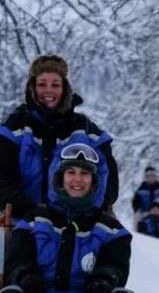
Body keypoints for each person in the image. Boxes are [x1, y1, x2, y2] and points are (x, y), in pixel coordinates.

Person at [0, 144, 148, 293]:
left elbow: (115, 267)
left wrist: (104, 280)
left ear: (94, 181)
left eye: (84, 173)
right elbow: (18, 259)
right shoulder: (34, 220)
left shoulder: (111, 230)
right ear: (60, 177)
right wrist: (24, 275)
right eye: (71, 172)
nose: (77, 179)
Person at [0, 54, 119, 218]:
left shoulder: (87, 131)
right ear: (32, 88)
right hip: (21, 221)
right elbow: (3, 180)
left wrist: (83, 211)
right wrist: (30, 211)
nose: (49, 90)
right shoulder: (15, 128)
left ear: (65, 89)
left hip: (76, 221)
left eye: (55, 84)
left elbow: (108, 184)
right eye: (42, 84)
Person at [132, 166, 159, 240]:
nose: (151, 178)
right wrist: (139, 211)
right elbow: (135, 203)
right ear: (146, 177)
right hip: (145, 214)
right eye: (149, 176)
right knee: (140, 224)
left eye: (153, 176)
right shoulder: (141, 189)